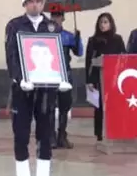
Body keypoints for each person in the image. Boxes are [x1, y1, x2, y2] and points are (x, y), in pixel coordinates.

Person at [5, 0, 72, 176]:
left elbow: (58, 55)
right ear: (24, 4)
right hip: (23, 89)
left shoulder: (51, 26)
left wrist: (62, 78)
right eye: (31, 1)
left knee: (45, 134)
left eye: (39, 1)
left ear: (43, 4)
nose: (35, 4)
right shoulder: (15, 25)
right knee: (21, 134)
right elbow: (11, 55)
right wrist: (19, 78)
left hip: (46, 90)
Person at [85, 12, 126, 141]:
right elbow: (88, 61)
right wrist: (89, 80)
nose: (103, 25)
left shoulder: (117, 39)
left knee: (114, 106)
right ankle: (99, 134)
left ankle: (115, 131)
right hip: (98, 77)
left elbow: (123, 56)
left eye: (105, 22)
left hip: (114, 78)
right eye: (101, 22)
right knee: (99, 107)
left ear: (111, 23)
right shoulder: (93, 40)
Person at [49, 11, 83, 149]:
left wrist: (77, 39)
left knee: (65, 106)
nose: (56, 18)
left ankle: (62, 135)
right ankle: (50, 136)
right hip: (49, 75)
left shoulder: (68, 36)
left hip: (65, 75)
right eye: (53, 15)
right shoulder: (46, 34)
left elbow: (79, 52)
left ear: (63, 18)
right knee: (49, 107)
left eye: (58, 15)